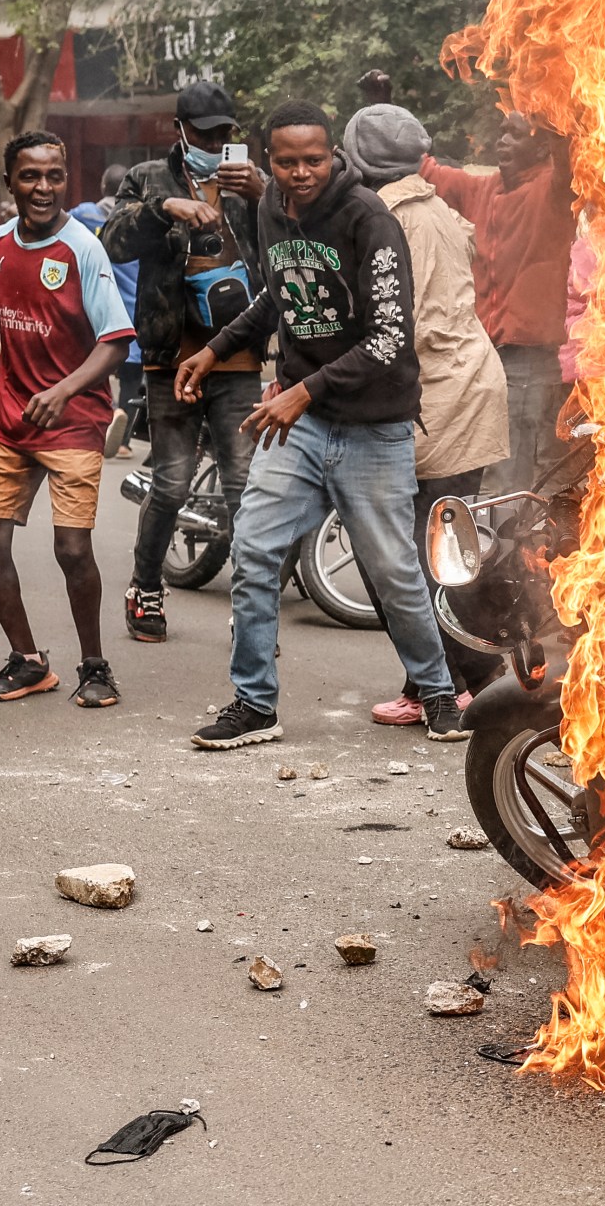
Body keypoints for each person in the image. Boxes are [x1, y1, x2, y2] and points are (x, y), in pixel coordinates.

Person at [178, 102, 465, 747]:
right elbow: (277, 297)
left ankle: (438, 691)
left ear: (334, 154)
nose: (301, 172)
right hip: (302, 427)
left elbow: (389, 339)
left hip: (373, 427)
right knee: (253, 551)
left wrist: (302, 391)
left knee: (393, 569)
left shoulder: (370, 218)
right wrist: (216, 349)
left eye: (314, 159)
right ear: (269, 161)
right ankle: (255, 704)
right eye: (287, 162)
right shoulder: (269, 209)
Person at [0, 131, 133, 708]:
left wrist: (64, 389)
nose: (43, 187)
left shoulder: (83, 248)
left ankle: (95, 666)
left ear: (66, 180)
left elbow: (116, 341)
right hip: (9, 417)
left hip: (73, 420)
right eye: (30, 176)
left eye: (54, 176)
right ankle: (27, 661)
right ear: (10, 183)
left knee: (72, 550)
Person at [343, 103, 510, 724]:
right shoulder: (435, 208)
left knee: (410, 555)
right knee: (435, 548)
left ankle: (465, 681)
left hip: (436, 398)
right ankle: (436, 681)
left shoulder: (386, 218)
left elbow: (392, 328)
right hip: (467, 387)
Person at [102, 83, 266, 642]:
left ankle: (252, 608)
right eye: (204, 134)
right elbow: (113, 241)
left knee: (244, 487)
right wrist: (164, 208)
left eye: (224, 134)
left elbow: (291, 242)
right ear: (180, 130)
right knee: (171, 484)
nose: (215, 144)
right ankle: (146, 586)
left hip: (239, 358)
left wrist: (264, 196)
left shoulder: (250, 183)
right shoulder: (149, 178)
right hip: (171, 357)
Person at [419, 112, 575, 494]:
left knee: (512, 472)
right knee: (489, 465)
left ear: (541, 147)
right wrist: (381, 107)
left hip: (529, 360)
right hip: (482, 354)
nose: (502, 140)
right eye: (502, 131)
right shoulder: (484, 188)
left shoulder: (554, 190)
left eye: (515, 134)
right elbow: (427, 172)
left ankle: (511, 533)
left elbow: (569, 163)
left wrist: (556, 110)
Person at [73, 164, 141, 448]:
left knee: (94, 370)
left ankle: (102, 419)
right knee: (131, 378)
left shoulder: (84, 214)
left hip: (96, 310)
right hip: (133, 310)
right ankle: (123, 440)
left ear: (103, 186)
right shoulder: (138, 219)